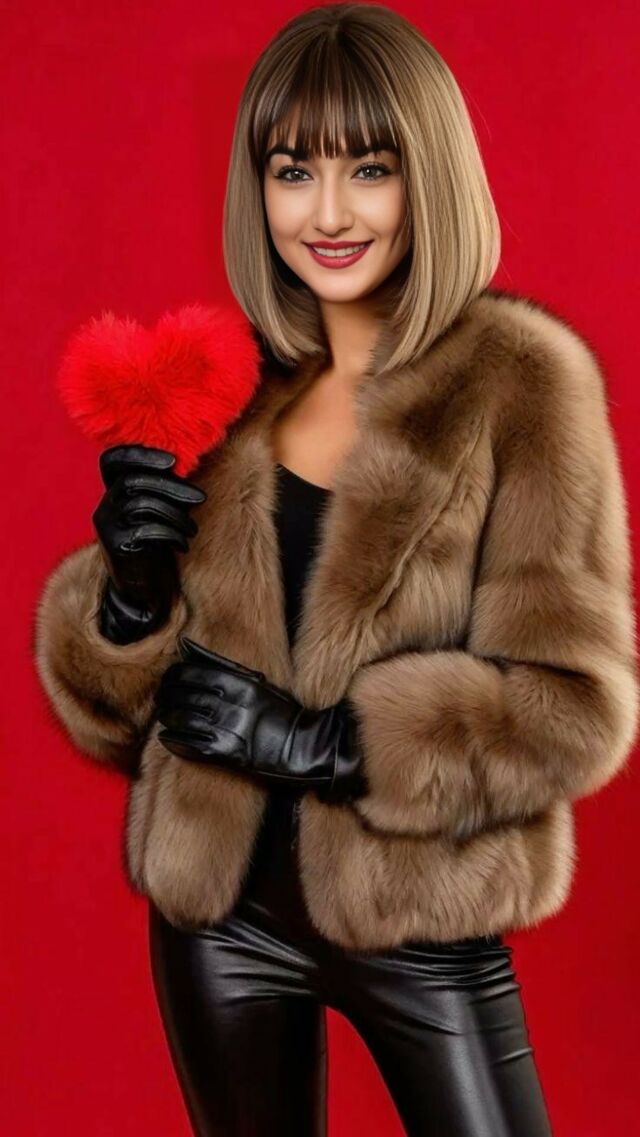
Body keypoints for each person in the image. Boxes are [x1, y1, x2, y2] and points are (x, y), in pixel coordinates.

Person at [32, 5, 639, 1136]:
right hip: (220, 923)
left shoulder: (520, 384)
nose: (327, 212)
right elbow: (129, 725)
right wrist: (127, 602)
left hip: (423, 923)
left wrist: (321, 743)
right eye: (292, 169)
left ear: (428, 175)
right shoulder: (232, 394)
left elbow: (575, 706)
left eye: (369, 167)